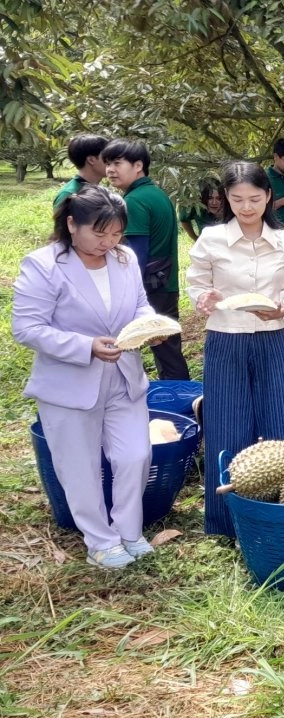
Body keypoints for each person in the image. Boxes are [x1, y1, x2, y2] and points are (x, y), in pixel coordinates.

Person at [13, 187, 155, 568]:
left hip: (124, 374)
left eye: (116, 234)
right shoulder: (44, 265)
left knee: (135, 454)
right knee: (80, 465)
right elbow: (27, 327)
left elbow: (139, 305)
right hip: (71, 382)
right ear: (72, 224)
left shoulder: (123, 259)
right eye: (100, 234)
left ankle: (129, 530)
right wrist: (85, 346)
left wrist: (148, 326)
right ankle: (100, 541)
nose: (108, 243)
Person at [188, 161, 284, 539]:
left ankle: (281, 513)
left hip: (272, 336)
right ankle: (225, 522)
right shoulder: (210, 239)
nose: (246, 207)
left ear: (268, 196)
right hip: (225, 338)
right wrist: (205, 298)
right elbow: (197, 286)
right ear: (225, 198)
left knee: (280, 424)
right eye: (237, 199)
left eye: (254, 199)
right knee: (227, 427)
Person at [102, 139, 191, 381]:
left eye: (117, 163)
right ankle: (182, 401)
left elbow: (136, 256)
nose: (110, 169)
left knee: (163, 353)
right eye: (108, 163)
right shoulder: (156, 194)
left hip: (150, 287)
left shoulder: (134, 200)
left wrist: (125, 293)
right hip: (165, 283)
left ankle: (179, 407)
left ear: (138, 165)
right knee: (169, 351)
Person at [53, 134, 110, 209]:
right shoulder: (69, 194)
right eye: (107, 156)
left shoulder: (100, 190)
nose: (111, 161)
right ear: (91, 160)